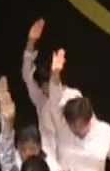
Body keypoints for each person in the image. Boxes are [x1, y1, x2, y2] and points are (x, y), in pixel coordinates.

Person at [21, 18, 82, 158]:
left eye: (47, 86)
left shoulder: (73, 96)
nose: (44, 91)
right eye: (42, 87)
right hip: (48, 161)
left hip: (72, 159)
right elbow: (27, 76)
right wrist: (31, 42)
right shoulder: (41, 99)